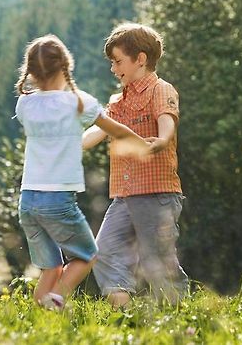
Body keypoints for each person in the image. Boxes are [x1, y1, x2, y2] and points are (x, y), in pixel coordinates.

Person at [14, 34, 148, 310]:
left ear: (31, 73)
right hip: (58, 200)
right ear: (66, 66)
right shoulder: (79, 102)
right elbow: (116, 130)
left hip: (28, 201)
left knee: (50, 268)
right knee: (87, 256)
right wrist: (144, 145)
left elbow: (62, 130)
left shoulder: (24, 104)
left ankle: (41, 313)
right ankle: (57, 299)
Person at [83, 23, 189, 307]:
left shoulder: (160, 90)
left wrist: (162, 139)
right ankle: (123, 310)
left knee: (157, 260)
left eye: (118, 61)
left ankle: (178, 317)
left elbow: (167, 120)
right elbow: (99, 131)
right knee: (105, 250)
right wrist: (68, 146)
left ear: (140, 59)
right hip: (124, 196)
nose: (113, 68)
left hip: (156, 193)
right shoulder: (117, 101)